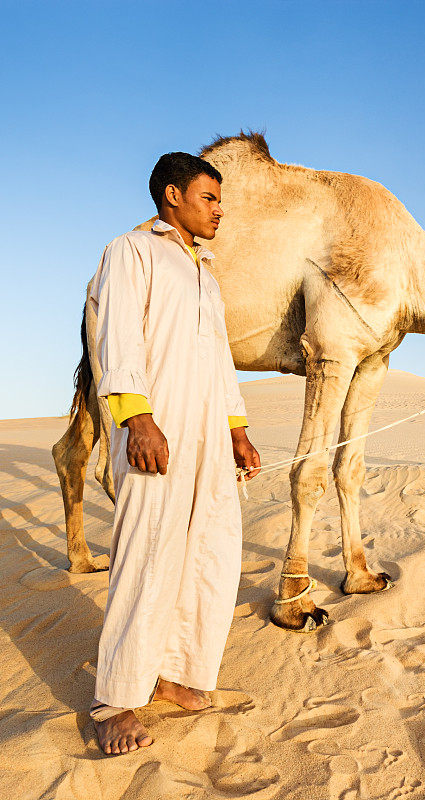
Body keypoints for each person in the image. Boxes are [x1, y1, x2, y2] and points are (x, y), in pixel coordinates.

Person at [87, 152, 261, 755]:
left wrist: (237, 430)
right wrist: (137, 418)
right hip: (156, 425)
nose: (219, 209)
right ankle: (116, 698)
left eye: (219, 199)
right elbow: (119, 340)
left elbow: (220, 361)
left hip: (210, 433)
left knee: (207, 553)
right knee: (147, 552)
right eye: (209, 198)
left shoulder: (205, 275)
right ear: (171, 197)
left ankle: (169, 673)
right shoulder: (130, 252)